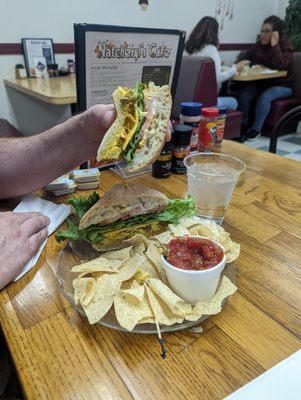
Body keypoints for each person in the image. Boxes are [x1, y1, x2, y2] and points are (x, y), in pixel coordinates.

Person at [237, 15, 293, 141]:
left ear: (275, 33)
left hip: (283, 85)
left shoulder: (285, 45)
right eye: (262, 31)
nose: (263, 34)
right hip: (263, 82)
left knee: (265, 96)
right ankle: (243, 125)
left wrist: (274, 45)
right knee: (245, 94)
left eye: (267, 31)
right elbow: (245, 57)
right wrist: (251, 64)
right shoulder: (260, 44)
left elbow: (281, 65)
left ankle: (256, 129)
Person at [185, 16, 246, 110]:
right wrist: (235, 69)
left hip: (186, 98)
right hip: (203, 102)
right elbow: (217, 79)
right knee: (234, 102)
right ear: (215, 32)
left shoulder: (187, 48)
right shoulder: (211, 49)